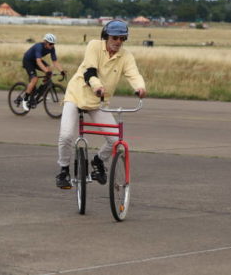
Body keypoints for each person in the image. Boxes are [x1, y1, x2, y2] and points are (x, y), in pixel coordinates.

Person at [56, 20, 146, 189]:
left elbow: (134, 74)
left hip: (98, 101)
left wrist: (140, 87)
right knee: (66, 135)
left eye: (122, 38)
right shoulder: (94, 46)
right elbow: (90, 71)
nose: (118, 42)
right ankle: (64, 170)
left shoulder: (125, 56)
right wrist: (97, 86)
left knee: (115, 139)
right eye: (115, 37)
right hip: (76, 95)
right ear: (106, 36)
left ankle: (98, 161)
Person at [21, 33, 65, 111]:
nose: (52, 46)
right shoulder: (39, 47)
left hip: (36, 60)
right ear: (45, 42)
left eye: (53, 44)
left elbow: (54, 61)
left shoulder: (52, 48)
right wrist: (45, 71)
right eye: (50, 44)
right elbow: (38, 61)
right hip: (28, 60)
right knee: (34, 79)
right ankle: (25, 99)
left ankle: (40, 91)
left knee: (49, 70)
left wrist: (62, 71)